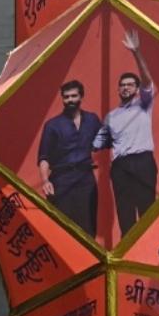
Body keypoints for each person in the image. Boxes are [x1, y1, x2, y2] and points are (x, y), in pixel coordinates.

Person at [94, 29, 157, 236]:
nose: (125, 88)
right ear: (118, 90)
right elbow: (96, 143)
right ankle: (129, 263)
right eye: (122, 85)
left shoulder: (144, 104)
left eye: (130, 85)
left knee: (147, 215)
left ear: (137, 89)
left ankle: (149, 261)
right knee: (125, 217)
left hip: (143, 162)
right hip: (120, 167)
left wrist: (136, 52)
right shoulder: (111, 116)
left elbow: (147, 80)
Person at [37, 80, 103, 236]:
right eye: (66, 97)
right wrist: (45, 181)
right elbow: (43, 157)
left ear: (81, 97)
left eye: (74, 96)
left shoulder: (92, 119)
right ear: (62, 99)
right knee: (62, 231)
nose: (70, 100)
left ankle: (90, 260)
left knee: (88, 229)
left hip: (85, 180)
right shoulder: (52, 125)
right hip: (61, 180)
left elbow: (107, 139)